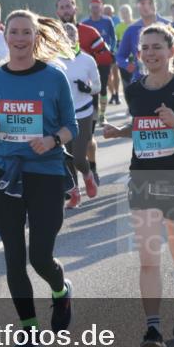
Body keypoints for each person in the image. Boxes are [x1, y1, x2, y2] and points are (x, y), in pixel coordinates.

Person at [0, 10, 77, 347]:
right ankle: (29, 330)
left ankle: (61, 290)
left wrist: (51, 141)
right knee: (15, 257)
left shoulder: (54, 76)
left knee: (40, 257)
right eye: (14, 32)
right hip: (5, 174)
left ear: (36, 37)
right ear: (6, 36)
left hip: (46, 174)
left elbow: (70, 127)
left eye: (26, 33)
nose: (19, 38)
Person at [102, 23, 174, 347]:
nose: (150, 53)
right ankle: (152, 329)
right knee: (149, 258)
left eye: (156, 47)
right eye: (144, 48)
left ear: (171, 50)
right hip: (143, 178)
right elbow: (141, 126)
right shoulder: (134, 90)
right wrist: (119, 131)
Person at [56, 0, 113, 184]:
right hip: (62, 99)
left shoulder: (89, 32)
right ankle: (73, 185)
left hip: (87, 95)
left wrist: (90, 78)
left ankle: (92, 166)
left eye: (68, 6)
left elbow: (106, 58)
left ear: (75, 9)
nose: (65, 10)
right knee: (67, 146)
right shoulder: (51, 34)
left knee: (86, 141)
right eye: (61, 7)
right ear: (57, 11)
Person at [59, 22, 102, 208]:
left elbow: (98, 87)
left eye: (72, 34)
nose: (68, 37)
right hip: (62, 115)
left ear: (77, 37)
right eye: (64, 34)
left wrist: (88, 88)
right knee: (66, 157)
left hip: (84, 112)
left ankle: (88, 175)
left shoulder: (87, 60)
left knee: (77, 157)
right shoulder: (53, 61)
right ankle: (74, 193)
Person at [116, 0, 174, 84]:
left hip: (169, 80)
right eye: (142, 4)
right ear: (138, 7)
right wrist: (128, 65)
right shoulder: (131, 30)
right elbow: (120, 56)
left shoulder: (172, 26)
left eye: (150, 3)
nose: (146, 7)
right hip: (141, 80)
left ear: (155, 5)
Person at [81, 0, 117, 124]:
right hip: (89, 61)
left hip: (104, 59)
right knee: (91, 88)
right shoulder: (85, 22)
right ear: (89, 8)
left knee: (102, 87)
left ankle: (102, 115)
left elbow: (113, 38)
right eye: (93, 7)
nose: (95, 10)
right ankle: (92, 113)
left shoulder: (107, 21)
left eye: (97, 7)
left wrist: (111, 51)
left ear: (101, 8)